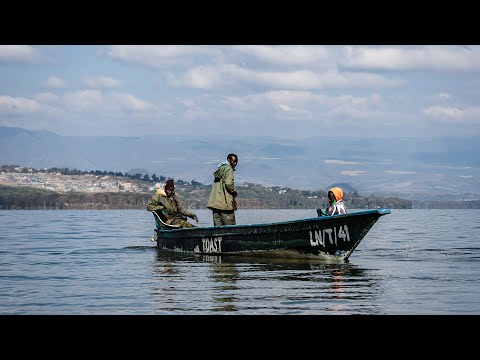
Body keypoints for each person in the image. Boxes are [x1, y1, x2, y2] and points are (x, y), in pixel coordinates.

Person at [207, 153, 239, 226]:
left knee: (218, 230)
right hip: (225, 206)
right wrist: (234, 192)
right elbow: (228, 184)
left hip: (215, 205)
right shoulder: (229, 169)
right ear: (228, 160)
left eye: (236, 161)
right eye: (233, 161)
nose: (235, 163)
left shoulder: (220, 170)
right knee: (230, 229)